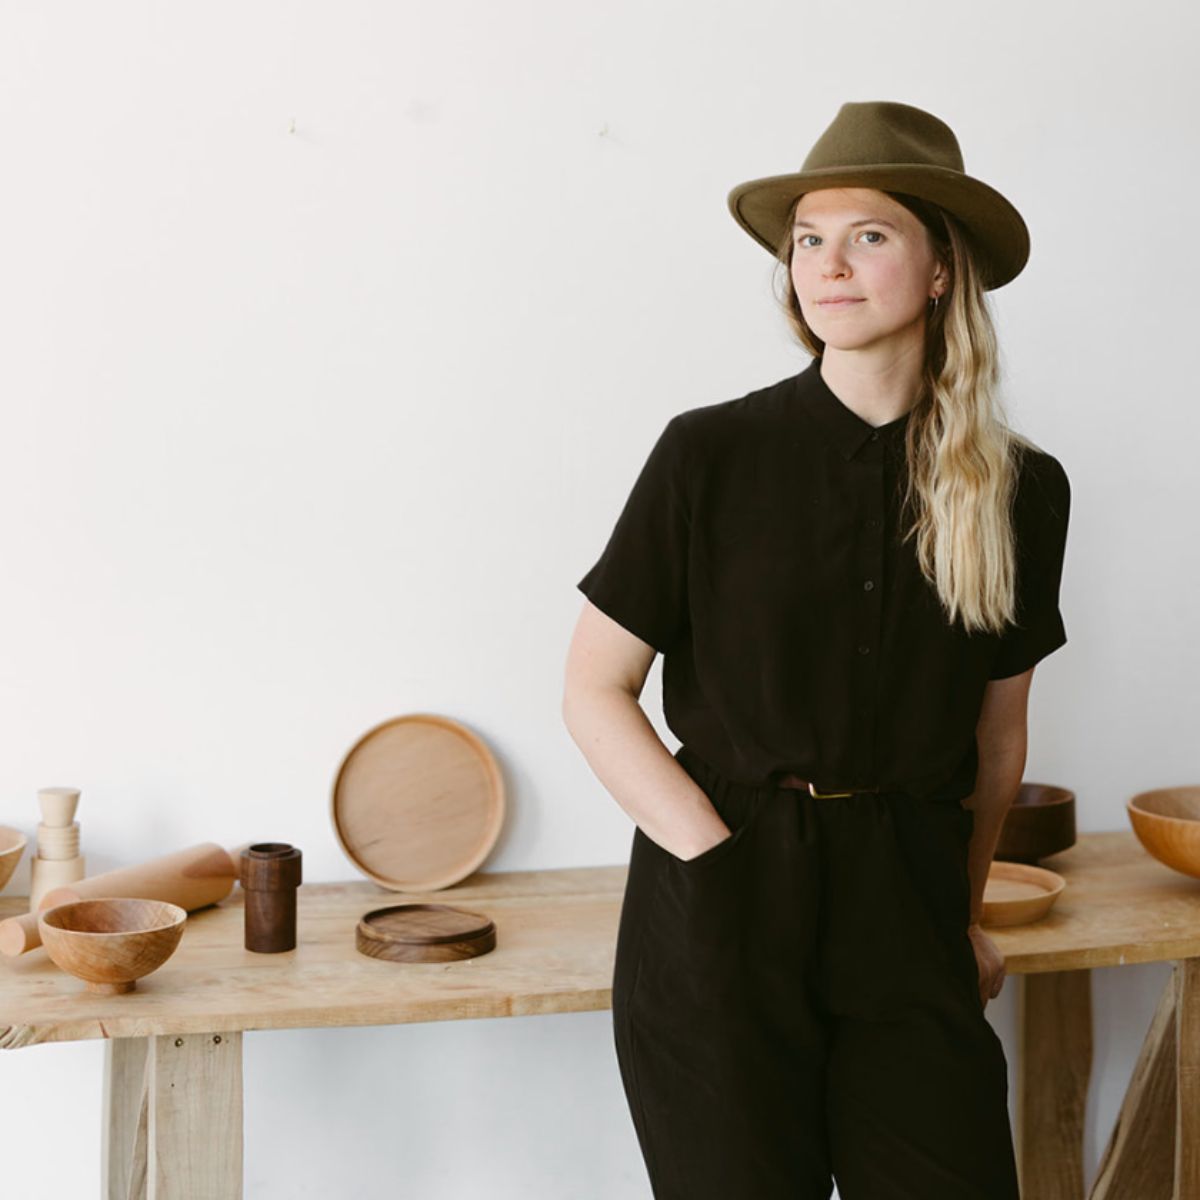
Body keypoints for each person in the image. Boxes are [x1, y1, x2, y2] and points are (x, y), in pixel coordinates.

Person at [562, 100, 1071, 1200]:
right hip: (720, 902)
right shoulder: (709, 455)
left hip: (905, 908)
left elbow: (997, 737)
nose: (827, 265)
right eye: (807, 240)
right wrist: (713, 865)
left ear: (942, 269)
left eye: (869, 236)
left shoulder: (1024, 491)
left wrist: (962, 914)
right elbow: (595, 689)